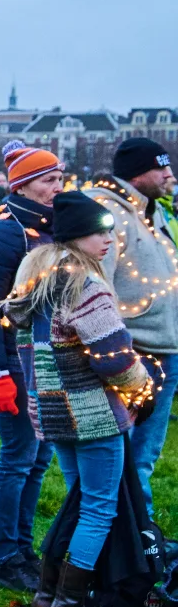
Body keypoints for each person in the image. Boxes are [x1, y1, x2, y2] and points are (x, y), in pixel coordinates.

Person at [2, 190, 153, 607]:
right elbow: (115, 358)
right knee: (99, 508)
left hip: (50, 412)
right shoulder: (85, 286)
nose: (108, 240)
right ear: (76, 237)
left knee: (77, 502)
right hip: (92, 413)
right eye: (99, 232)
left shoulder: (36, 282)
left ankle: (47, 596)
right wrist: (142, 386)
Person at [0, 140, 64, 592]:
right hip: (16, 362)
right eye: (48, 180)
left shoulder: (50, 228)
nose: (57, 187)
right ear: (23, 185)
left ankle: (23, 550)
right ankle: (4, 557)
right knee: (18, 458)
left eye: (60, 178)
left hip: (47, 359)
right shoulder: (5, 233)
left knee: (39, 459)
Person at [85, 138, 178, 518]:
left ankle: (140, 533)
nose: (170, 175)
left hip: (165, 348)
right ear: (138, 173)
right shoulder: (108, 212)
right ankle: (131, 538)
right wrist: (118, 349)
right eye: (162, 167)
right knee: (124, 458)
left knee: (145, 456)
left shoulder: (153, 212)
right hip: (133, 354)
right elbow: (96, 286)